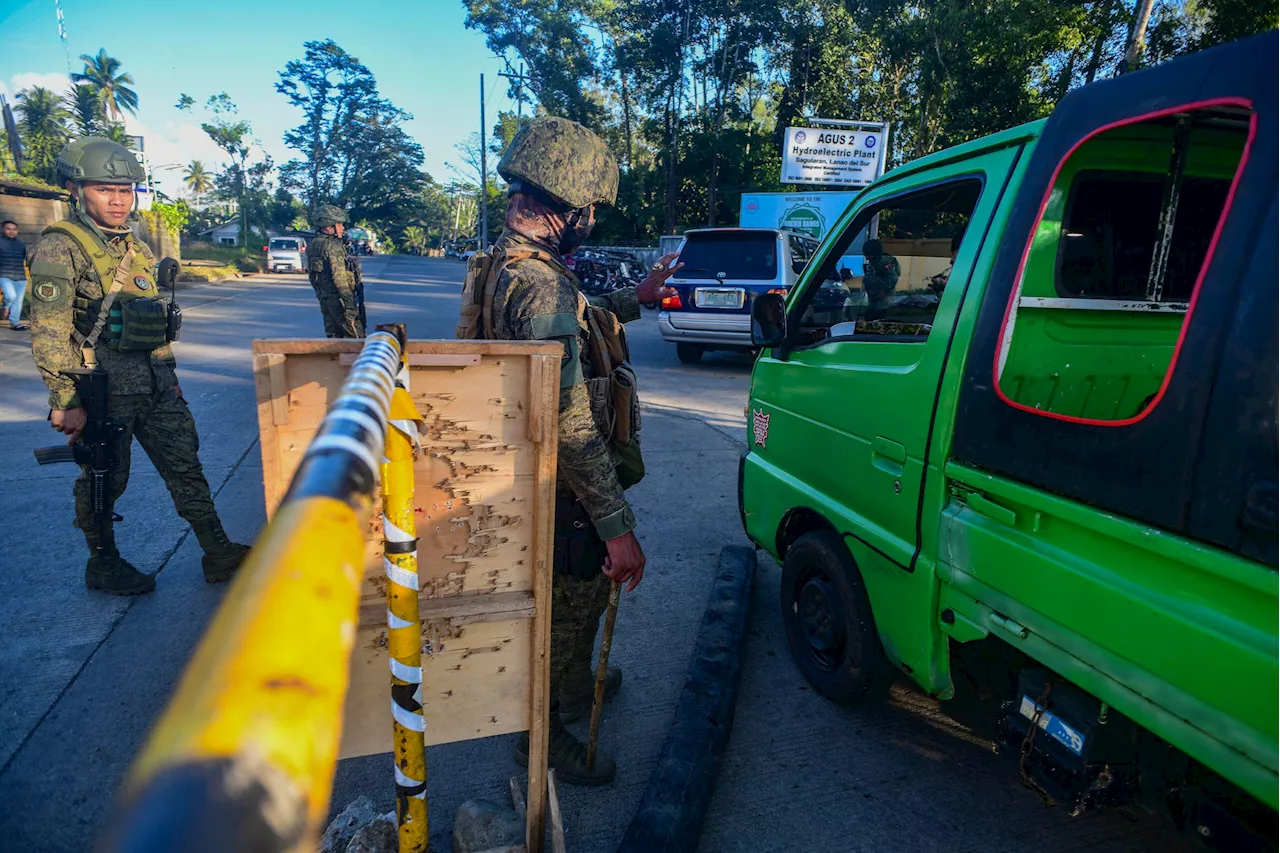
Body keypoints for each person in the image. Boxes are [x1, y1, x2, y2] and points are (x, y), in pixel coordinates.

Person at [479, 116, 680, 785]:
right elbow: (567, 418)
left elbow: (579, 321)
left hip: (539, 475)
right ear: (565, 205)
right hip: (558, 485)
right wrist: (617, 525)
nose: (592, 220)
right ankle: (540, 730)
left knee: (579, 602)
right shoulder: (538, 283)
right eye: (591, 210)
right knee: (566, 604)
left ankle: (570, 684)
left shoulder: (511, 263)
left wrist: (637, 298)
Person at [27, 137, 251, 595]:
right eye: (105, 189)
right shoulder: (61, 246)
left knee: (185, 464)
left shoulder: (137, 247)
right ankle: (103, 563)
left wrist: (170, 378)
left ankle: (218, 551)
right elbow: (49, 330)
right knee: (106, 479)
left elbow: (152, 323)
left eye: (125, 190)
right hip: (103, 389)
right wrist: (65, 399)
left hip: (155, 385)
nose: (117, 199)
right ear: (75, 189)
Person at [307, 204, 362, 338]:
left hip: (326, 300)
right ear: (328, 226)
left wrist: (321, 296)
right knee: (356, 341)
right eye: (339, 224)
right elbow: (340, 279)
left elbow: (312, 276)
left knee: (333, 340)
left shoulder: (314, 244)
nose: (342, 228)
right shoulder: (333, 246)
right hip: (339, 301)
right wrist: (350, 306)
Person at [1, 219, 29, 331]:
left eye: (14, 229)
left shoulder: (21, 244)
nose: (11, 231)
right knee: (11, 296)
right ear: (3, 229)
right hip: (4, 275)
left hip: (20, 277)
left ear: (17, 231)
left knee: (18, 301)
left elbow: (23, 259)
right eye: (8, 229)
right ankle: (6, 307)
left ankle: (14, 323)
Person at [861, 238, 901, 316]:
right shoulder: (873, 262)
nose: (866, 257)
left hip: (883, 299)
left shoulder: (883, 262)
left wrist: (883, 291)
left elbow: (893, 277)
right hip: (874, 297)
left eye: (867, 254)